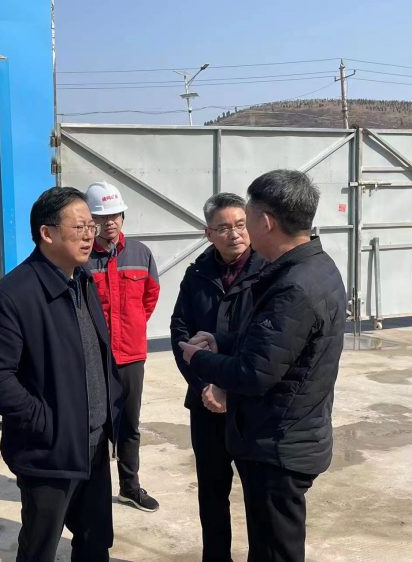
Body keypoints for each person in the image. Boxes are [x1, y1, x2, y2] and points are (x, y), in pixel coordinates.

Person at [179, 170, 346, 562]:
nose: (241, 231)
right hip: (281, 434)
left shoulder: (293, 285)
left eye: (247, 219)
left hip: (279, 445)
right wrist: (222, 344)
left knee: (274, 552)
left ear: (265, 222)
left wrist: (200, 358)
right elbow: (276, 345)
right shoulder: (313, 267)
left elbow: (254, 373)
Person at [0, 186, 122, 562]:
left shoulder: (82, 280)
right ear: (47, 233)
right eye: (79, 227)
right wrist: (46, 422)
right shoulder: (14, 295)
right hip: (49, 451)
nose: (89, 235)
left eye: (91, 226)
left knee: (95, 542)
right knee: (40, 549)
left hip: (92, 443)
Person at [170, 193, 265, 562]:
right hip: (206, 403)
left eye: (240, 225)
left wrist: (231, 385)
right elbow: (180, 332)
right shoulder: (197, 275)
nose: (234, 234)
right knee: (212, 492)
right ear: (208, 233)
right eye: (223, 228)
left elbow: (267, 340)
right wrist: (204, 385)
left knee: (259, 494)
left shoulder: (268, 272)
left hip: (251, 403)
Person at [85, 181, 160, 512]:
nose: (110, 222)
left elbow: (150, 296)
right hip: (94, 358)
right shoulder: (82, 258)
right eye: (102, 217)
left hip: (130, 355)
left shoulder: (140, 253)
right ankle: (95, 489)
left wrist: (133, 326)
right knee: (96, 426)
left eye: (115, 215)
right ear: (91, 221)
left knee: (129, 424)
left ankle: (130, 486)